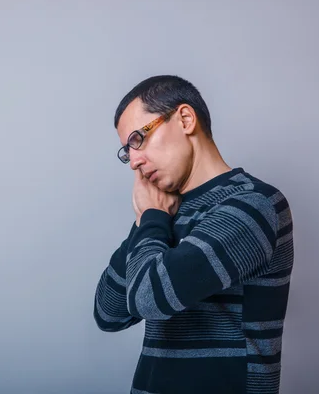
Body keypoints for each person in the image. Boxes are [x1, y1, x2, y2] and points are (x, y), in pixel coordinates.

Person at [93, 75, 294, 394]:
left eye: (137, 139)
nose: (133, 161)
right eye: (126, 152)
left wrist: (152, 217)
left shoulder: (253, 205)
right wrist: (147, 221)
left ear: (185, 119)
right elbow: (108, 312)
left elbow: (148, 300)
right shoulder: (162, 214)